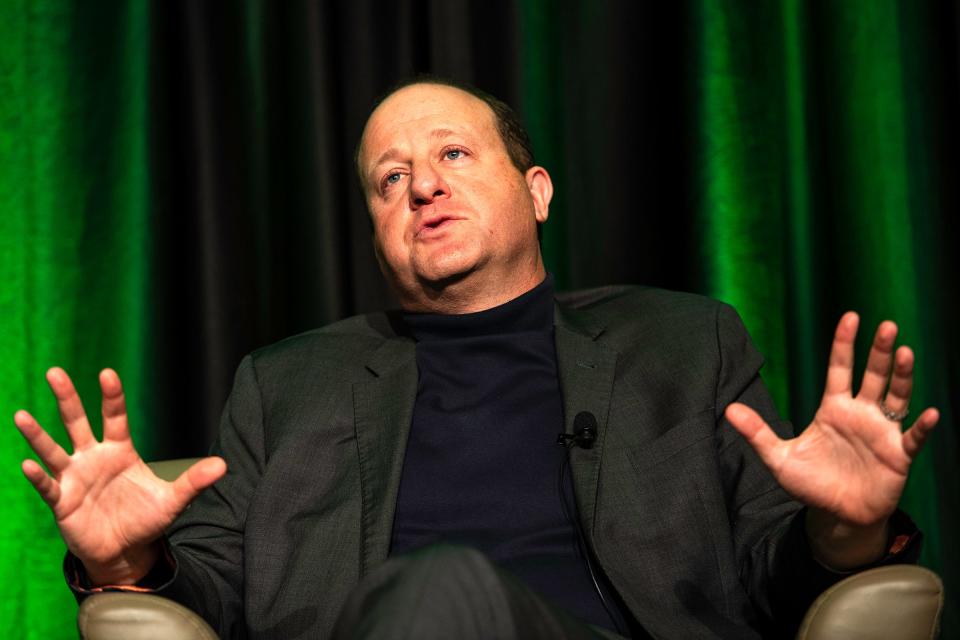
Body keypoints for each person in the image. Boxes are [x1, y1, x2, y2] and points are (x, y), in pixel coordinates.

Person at [15, 78, 939, 639]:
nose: (422, 184)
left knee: (438, 590)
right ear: (377, 232)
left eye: (455, 154)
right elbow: (209, 597)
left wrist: (845, 530)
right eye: (390, 180)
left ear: (535, 191)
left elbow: (771, 581)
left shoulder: (684, 344)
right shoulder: (284, 385)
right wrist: (132, 564)